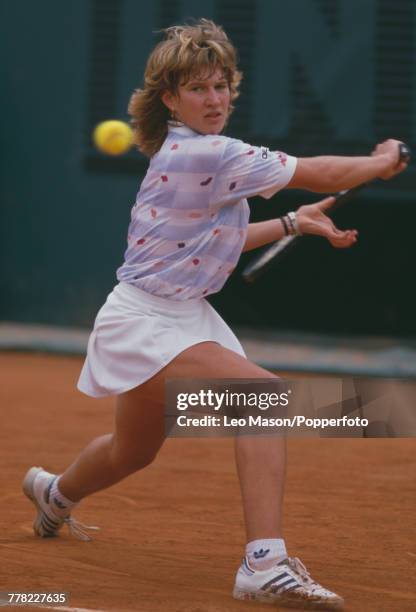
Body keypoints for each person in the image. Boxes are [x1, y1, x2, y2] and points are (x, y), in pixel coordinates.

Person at [23, 19, 407, 610]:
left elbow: (209, 241)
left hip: (178, 316)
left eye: (222, 85)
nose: (215, 99)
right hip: (144, 322)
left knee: (134, 449)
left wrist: (291, 223)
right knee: (261, 398)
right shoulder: (210, 152)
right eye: (199, 88)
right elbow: (322, 172)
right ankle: (264, 563)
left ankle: (55, 494)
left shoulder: (198, 158)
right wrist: (380, 161)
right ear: (171, 98)